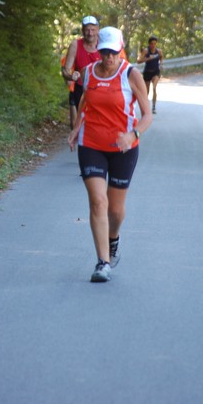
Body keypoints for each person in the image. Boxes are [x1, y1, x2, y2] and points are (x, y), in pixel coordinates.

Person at [68, 26, 153, 282]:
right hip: (91, 144)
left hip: (123, 149)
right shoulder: (88, 73)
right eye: (104, 52)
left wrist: (133, 135)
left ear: (121, 49)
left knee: (115, 211)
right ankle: (102, 262)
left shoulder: (131, 74)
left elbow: (147, 115)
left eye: (113, 52)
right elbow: (85, 103)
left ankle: (113, 239)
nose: (108, 58)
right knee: (98, 202)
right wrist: (76, 129)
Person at [61, 16, 100, 109]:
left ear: (98, 30)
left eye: (93, 30)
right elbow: (65, 70)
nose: (90, 33)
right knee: (83, 119)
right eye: (87, 30)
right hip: (81, 89)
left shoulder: (104, 44)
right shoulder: (75, 45)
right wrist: (71, 76)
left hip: (101, 88)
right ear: (82, 30)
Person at [137, 36, 163, 114]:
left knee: (154, 88)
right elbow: (138, 61)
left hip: (156, 72)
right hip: (147, 72)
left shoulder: (159, 51)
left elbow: (161, 57)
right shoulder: (146, 51)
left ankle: (154, 107)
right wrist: (148, 58)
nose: (153, 45)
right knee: (146, 91)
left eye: (155, 44)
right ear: (149, 44)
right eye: (151, 44)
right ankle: (146, 107)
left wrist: (161, 64)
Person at [60, 55, 77, 129]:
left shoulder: (66, 58)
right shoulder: (66, 58)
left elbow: (68, 82)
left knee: (74, 122)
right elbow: (68, 82)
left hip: (74, 90)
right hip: (75, 90)